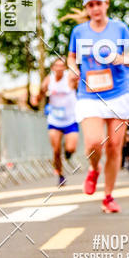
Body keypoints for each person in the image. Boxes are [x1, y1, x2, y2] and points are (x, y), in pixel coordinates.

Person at [64, 0, 129, 213]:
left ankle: (108, 196)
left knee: (115, 146)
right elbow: (71, 57)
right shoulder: (79, 31)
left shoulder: (120, 29)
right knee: (94, 142)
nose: (95, 8)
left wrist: (120, 58)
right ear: (87, 9)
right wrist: (72, 71)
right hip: (89, 94)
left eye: (98, 3)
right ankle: (93, 168)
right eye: (90, 5)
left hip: (118, 92)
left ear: (106, 3)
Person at [37, 58, 79, 186]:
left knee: (71, 147)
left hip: (70, 119)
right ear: (53, 68)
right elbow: (41, 94)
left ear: (65, 68)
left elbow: (79, 84)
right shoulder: (49, 80)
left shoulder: (70, 78)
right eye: (57, 66)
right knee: (55, 150)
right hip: (55, 119)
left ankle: (68, 152)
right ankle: (60, 175)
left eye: (62, 66)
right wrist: (38, 96)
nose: (59, 68)